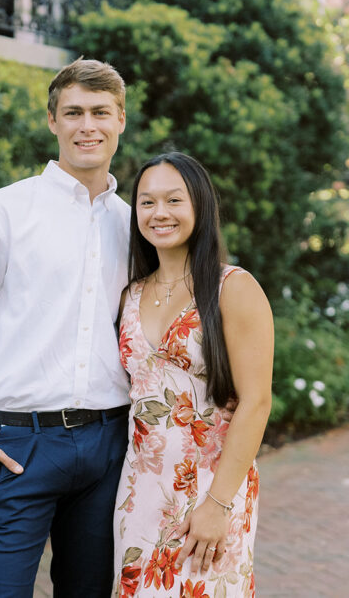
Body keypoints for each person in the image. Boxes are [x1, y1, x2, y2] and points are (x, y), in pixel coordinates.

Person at [0, 58, 132, 597]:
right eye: (74, 113)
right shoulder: (2, 213)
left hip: (109, 447)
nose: (88, 125)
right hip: (18, 447)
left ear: (121, 121)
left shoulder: (133, 225)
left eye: (101, 112)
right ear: (52, 121)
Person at [112, 152, 274, 597]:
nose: (159, 213)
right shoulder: (130, 294)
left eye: (173, 200)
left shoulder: (234, 288)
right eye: (147, 202)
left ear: (199, 207)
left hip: (211, 489)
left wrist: (218, 505)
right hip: (140, 491)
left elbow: (257, 402)